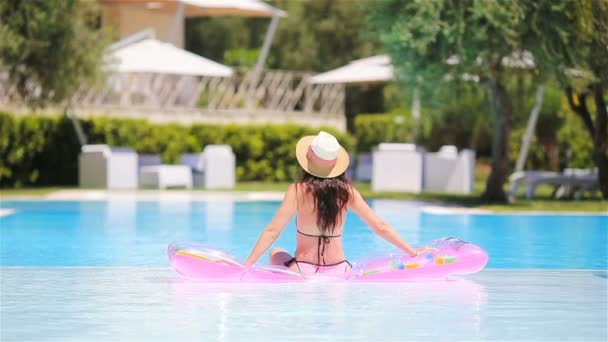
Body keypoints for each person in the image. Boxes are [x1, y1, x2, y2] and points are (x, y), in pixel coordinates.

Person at [244, 131, 435, 275]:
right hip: (339, 270)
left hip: (302, 271)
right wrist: (413, 252)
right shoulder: (347, 192)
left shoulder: (297, 191)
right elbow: (380, 226)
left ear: (308, 159)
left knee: (276, 252)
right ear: (335, 164)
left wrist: (246, 266)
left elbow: (272, 232)